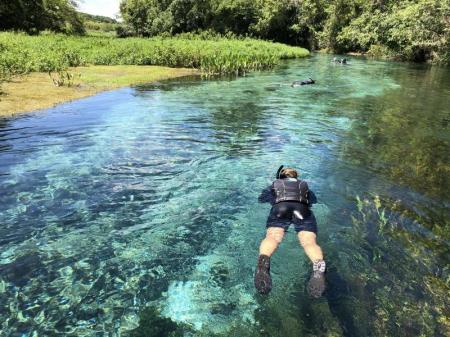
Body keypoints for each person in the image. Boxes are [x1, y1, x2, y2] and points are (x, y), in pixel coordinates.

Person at [254, 167, 326, 297]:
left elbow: (261, 199)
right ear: (296, 177)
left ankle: (263, 264)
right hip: (302, 210)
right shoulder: (304, 186)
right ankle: (318, 269)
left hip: (280, 208)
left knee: (273, 237)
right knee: (309, 242)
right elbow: (312, 201)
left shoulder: (275, 184)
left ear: (281, 177)